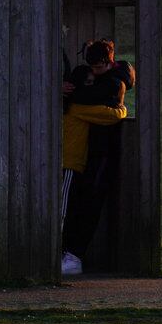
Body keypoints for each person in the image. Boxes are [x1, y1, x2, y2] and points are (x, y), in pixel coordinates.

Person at [59, 38, 136, 276]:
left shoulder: (113, 82)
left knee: (84, 206)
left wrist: (73, 93)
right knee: (77, 206)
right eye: (91, 68)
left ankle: (70, 254)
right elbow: (107, 111)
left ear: (109, 62)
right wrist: (120, 111)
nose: (94, 72)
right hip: (88, 153)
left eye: (98, 68)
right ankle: (69, 254)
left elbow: (83, 103)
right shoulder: (107, 78)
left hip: (96, 153)